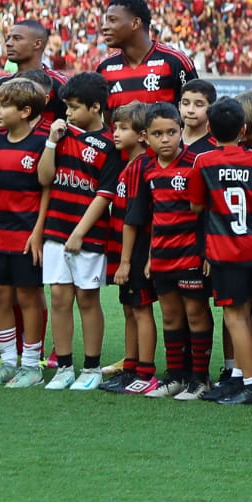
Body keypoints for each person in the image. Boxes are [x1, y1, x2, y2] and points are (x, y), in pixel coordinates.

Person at [124, 102, 212, 399]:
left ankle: (200, 380)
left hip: (190, 253)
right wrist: (150, 255)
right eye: (158, 134)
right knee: (171, 316)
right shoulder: (147, 168)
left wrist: (206, 252)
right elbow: (151, 217)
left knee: (196, 314)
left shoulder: (195, 163)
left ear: (181, 132)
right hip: (162, 255)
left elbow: (206, 213)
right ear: (145, 137)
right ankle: (175, 377)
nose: (165, 139)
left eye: (171, 132)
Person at [188, 98, 252, 406]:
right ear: (244, 129)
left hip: (224, 249)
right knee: (245, 313)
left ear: (209, 128)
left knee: (234, 317)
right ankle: (239, 378)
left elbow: (196, 205)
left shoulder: (204, 161)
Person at [38, 73, 119, 391]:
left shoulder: (109, 144)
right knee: (59, 297)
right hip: (56, 229)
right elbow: (45, 179)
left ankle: (92, 367)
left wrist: (80, 233)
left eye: (73, 107)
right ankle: (64, 366)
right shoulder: (60, 136)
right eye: (65, 107)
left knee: (87, 298)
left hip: (89, 234)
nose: (68, 113)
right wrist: (50, 143)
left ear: (95, 107)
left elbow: (104, 194)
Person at [0, 78, 50, 388]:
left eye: (3, 105)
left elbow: (46, 190)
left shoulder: (41, 142)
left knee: (28, 296)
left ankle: (32, 364)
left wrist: (37, 232)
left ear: (24, 111)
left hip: (26, 232)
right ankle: (8, 361)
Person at [102, 102, 160, 394]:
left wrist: (127, 261)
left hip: (136, 251)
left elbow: (136, 219)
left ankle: (146, 372)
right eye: (115, 126)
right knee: (129, 308)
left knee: (141, 308)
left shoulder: (141, 166)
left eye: (123, 128)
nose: (116, 133)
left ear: (141, 135)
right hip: (124, 248)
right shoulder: (130, 164)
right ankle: (131, 366)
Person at [96, 0, 198, 113]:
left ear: (135, 23)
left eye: (112, 20)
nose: (104, 27)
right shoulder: (104, 69)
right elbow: (106, 126)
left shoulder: (175, 61)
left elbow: (196, 112)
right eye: (106, 21)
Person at [0, 20, 68, 124]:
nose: (8, 43)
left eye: (17, 38)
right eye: (9, 38)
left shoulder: (59, 85)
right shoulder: (0, 85)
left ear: (37, 44)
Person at [179, 79, 218, 153]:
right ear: (179, 106)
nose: (190, 110)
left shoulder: (215, 147)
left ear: (211, 109)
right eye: (185, 103)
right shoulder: (168, 140)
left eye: (199, 105)